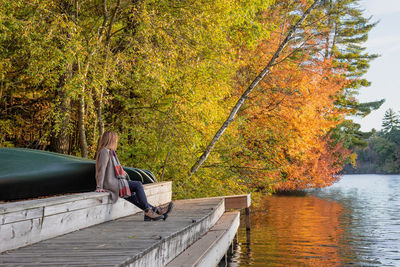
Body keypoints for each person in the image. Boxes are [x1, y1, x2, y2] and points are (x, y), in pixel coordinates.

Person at [95, 131, 173, 221]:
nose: (116, 142)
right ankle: (149, 210)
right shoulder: (104, 152)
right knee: (137, 185)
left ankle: (155, 210)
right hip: (110, 183)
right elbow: (101, 170)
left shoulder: (110, 152)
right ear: (110, 140)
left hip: (115, 182)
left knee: (131, 195)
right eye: (115, 140)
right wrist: (99, 186)